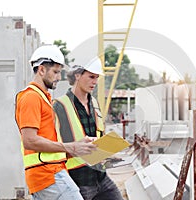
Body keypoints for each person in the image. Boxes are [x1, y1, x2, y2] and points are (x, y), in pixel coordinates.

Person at [15, 45, 97, 200]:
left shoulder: (44, 98)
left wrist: (79, 145)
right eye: (56, 72)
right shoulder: (31, 97)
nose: (59, 77)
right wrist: (71, 146)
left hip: (49, 173)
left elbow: (48, 140)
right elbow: (29, 140)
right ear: (41, 70)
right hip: (48, 173)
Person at [53, 59, 124, 200]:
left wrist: (108, 152)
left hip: (101, 177)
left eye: (97, 77)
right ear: (77, 75)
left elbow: (99, 137)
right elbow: (54, 146)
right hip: (79, 180)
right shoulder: (59, 106)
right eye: (91, 76)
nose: (95, 81)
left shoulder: (95, 103)